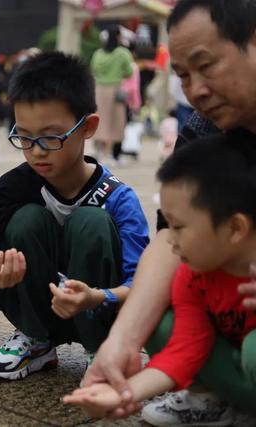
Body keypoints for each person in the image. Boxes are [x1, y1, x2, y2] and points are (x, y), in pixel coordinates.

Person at [84, 0, 256, 423]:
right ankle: (216, 397)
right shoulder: (204, 130)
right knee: (156, 315)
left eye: (206, 65)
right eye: (182, 75)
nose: (194, 89)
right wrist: (122, 340)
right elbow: (171, 236)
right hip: (233, 301)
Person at [0, 52, 149, 381]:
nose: (36, 151)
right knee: (25, 220)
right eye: (24, 137)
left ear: (88, 127)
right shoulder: (10, 190)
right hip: (38, 302)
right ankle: (36, 339)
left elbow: (141, 284)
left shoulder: (117, 198)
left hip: (99, 305)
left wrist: (97, 297)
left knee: (91, 222)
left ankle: (104, 348)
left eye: (51, 137)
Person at [65, 134, 256, 424]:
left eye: (178, 227)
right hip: (238, 372)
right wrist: (123, 393)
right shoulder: (192, 276)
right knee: (160, 322)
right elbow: (184, 350)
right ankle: (223, 405)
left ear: (235, 228)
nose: (170, 240)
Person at [90, 27, 134, 164]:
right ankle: (109, 156)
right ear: (118, 37)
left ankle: (98, 152)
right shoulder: (122, 53)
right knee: (114, 122)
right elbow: (129, 71)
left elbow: (93, 69)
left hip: (99, 90)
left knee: (99, 120)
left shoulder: (97, 54)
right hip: (115, 90)